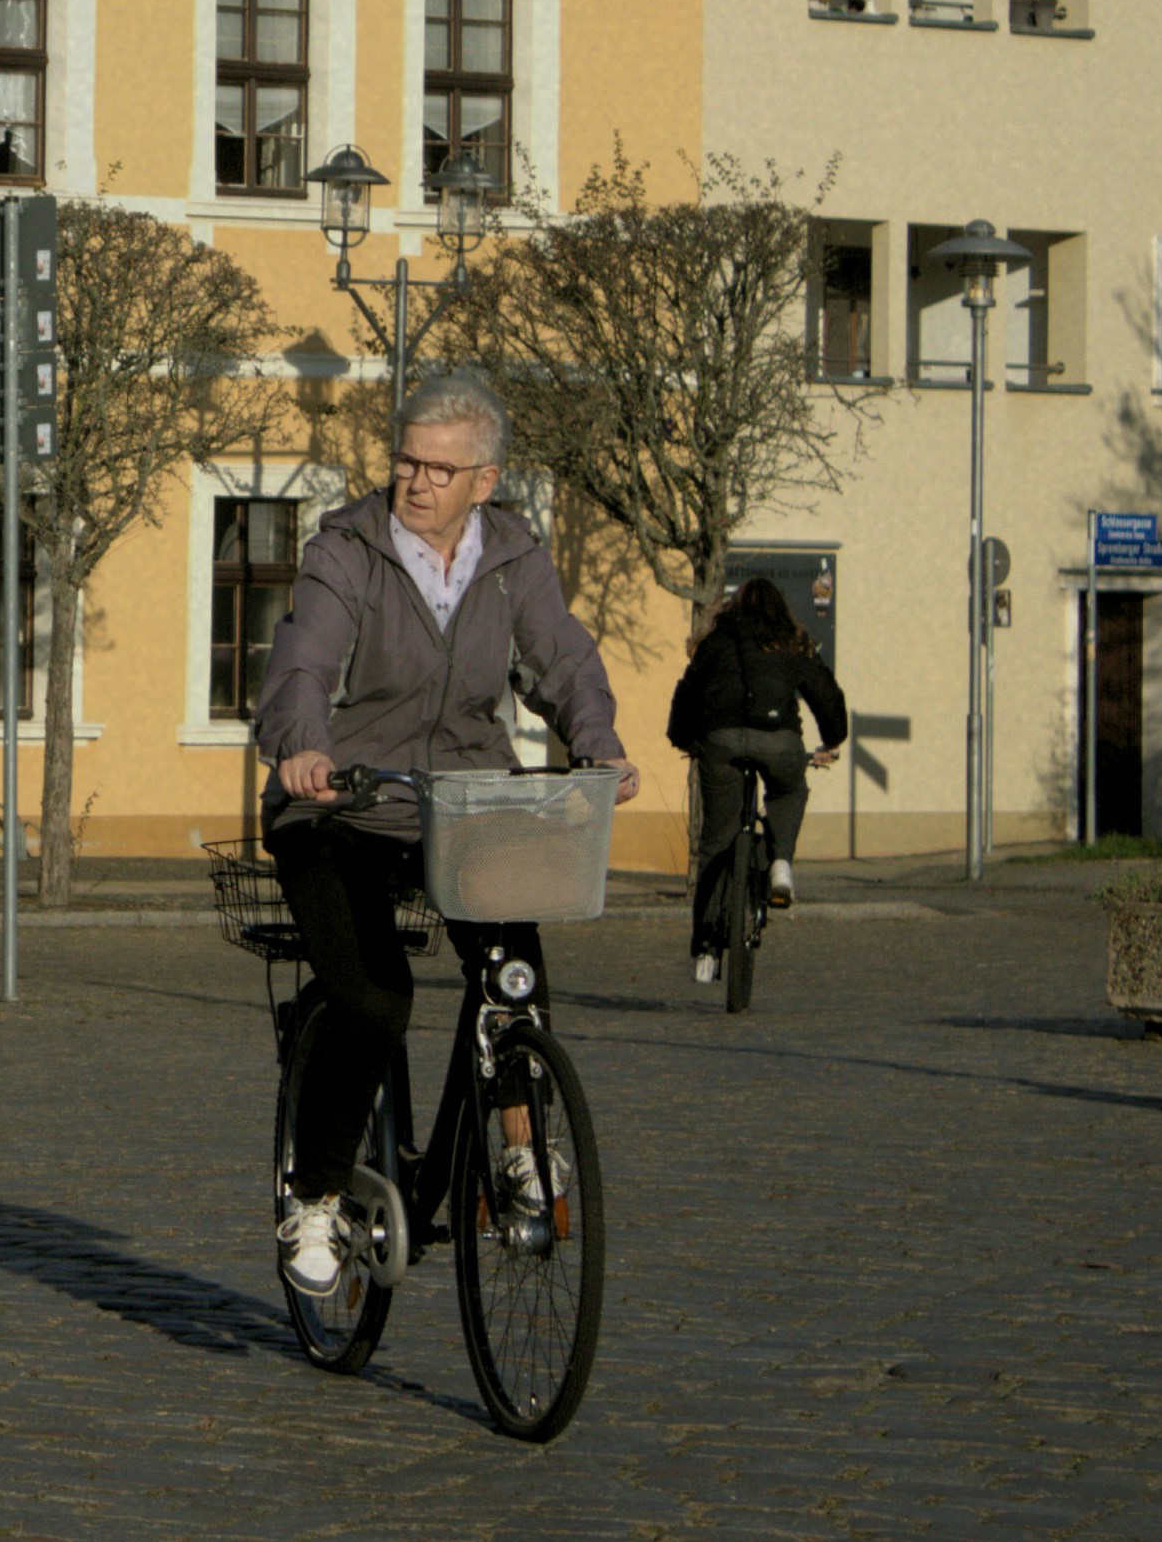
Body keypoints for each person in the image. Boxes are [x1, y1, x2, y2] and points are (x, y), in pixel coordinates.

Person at [251, 372, 636, 1296]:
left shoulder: (512, 557)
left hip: (463, 799)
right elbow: (303, 660)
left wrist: (599, 745)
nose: (415, 481)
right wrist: (304, 748)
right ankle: (317, 1194)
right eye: (405, 461)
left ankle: (515, 1149)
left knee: (512, 973)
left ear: (484, 480)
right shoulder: (348, 548)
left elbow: (563, 658)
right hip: (341, 801)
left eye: (437, 467)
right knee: (376, 1000)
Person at [668, 577, 847, 982]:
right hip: (780, 742)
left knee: (715, 843)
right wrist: (832, 738)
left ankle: (706, 949)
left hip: (722, 742)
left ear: (734, 608)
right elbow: (825, 691)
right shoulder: (791, 643)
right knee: (788, 790)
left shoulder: (716, 642)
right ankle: (781, 860)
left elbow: (688, 693)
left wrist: (686, 739)